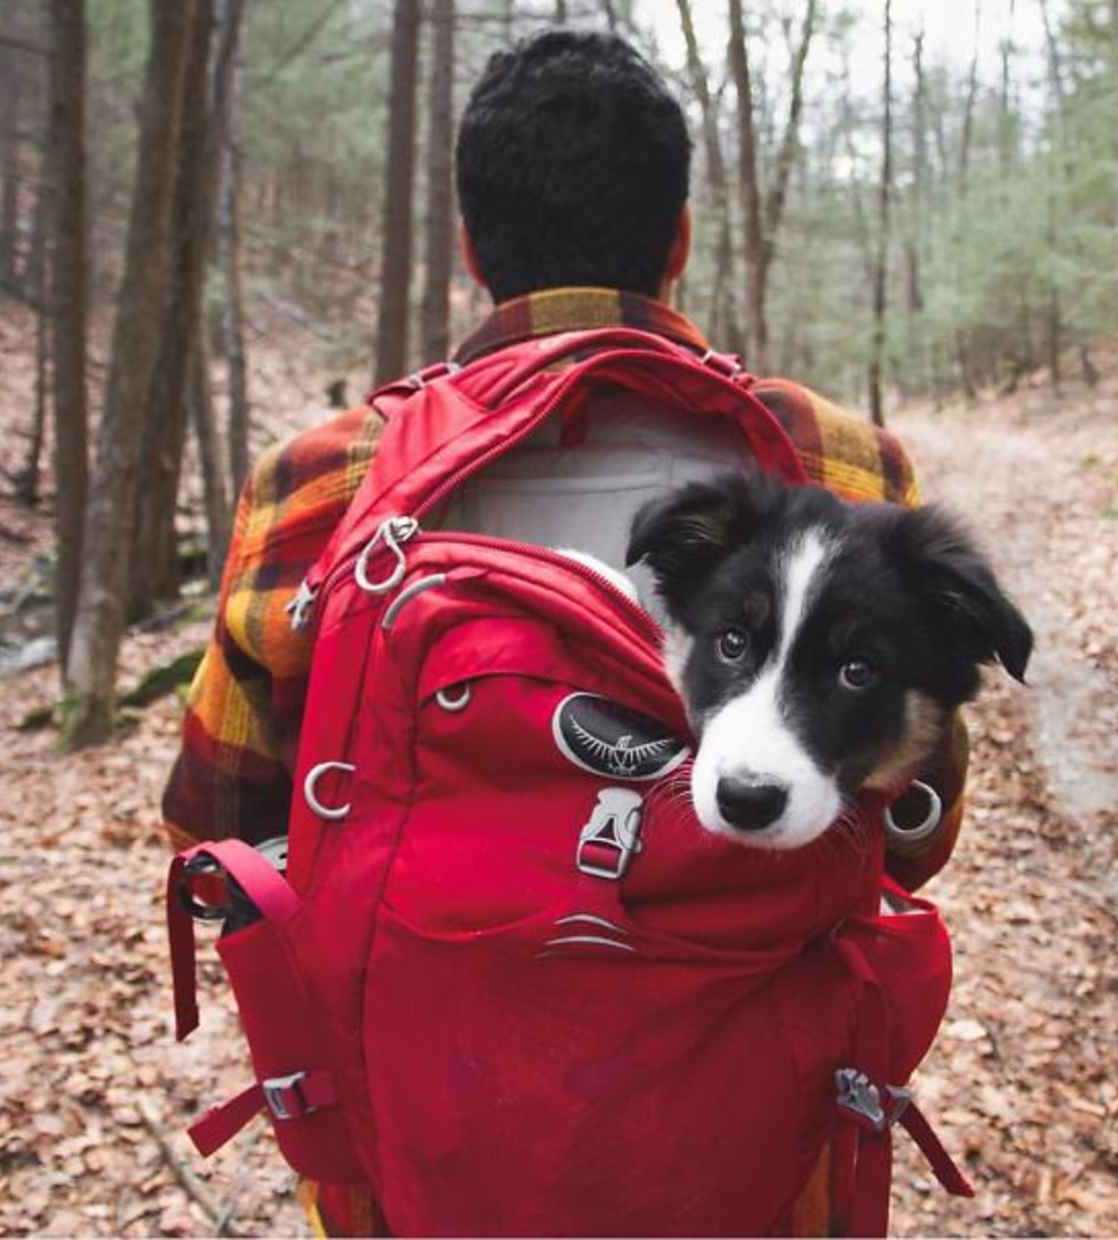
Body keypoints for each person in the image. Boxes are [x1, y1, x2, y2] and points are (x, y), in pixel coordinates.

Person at [163, 29, 969, 1237]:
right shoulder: (838, 465)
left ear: (470, 248)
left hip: (425, 1153)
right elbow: (916, 816)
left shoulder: (325, 479)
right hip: (749, 1150)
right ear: (680, 241)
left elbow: (214, 816)